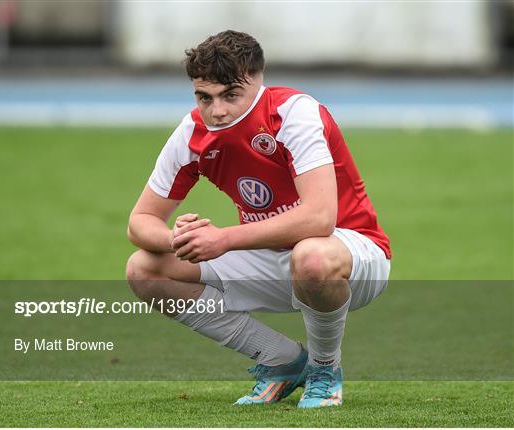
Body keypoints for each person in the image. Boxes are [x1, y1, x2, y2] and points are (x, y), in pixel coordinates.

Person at [126, 30, 391, 409]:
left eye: (230, 95)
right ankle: (281, 360)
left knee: (311, 257)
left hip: (352, 255)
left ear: (257, 80)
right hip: (271, 258)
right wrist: (178, 240)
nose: (217, 110)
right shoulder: (192, 134)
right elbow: (140, 221)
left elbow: (320, 218)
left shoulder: (294, 113)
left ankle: (323, 369)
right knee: (144, 269)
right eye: (205, 97)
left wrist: (223, 239)